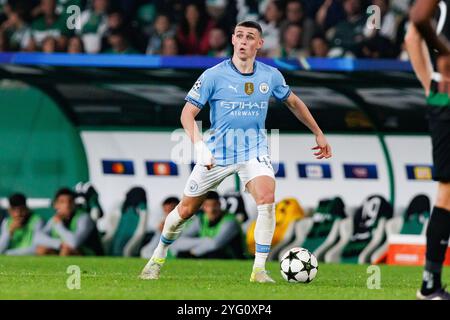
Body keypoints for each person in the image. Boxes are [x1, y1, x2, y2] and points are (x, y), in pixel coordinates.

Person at [140, 20, 332, 283]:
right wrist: (201, 148)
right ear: (232, 40)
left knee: (267, 199)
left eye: (250, 37)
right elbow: (187, 114)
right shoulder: (213, 75)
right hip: (216, 154)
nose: (243, 41)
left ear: (259, 44)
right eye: (239, 36)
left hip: (254, 151)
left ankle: (259, 270)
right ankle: (158, 256)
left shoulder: (270, 75)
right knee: (184, 211)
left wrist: (318, 132)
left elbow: (293, 102)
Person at [406, 0, 450, 300]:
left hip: (441, 95)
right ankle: (429, 286)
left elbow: (412, 36)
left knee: (446, 194)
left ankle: (430, 284)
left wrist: (430, 84)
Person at [170, 191, 246, 259]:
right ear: (203, 207)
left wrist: (193, 251)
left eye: (214, 205)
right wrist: (205, 240)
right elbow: (178, 242)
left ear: (219, 204)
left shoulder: (230, 221)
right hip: (205, 252)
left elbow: (215, 244)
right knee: (181, 254)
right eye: (207, 206)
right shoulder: (201, 219)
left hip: (231, 257)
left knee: (214, 253)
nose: (211, 209)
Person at [35, 188, 103, 256]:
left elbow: (74, 243)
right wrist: (59, 244)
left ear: (74, 204)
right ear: (56, 205)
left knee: (67, 251)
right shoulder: (54, 219)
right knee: (41, 249)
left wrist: (59, 225)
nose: (67, 205)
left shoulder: (84, 218)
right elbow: (37, 238)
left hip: (91, 254)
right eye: (62, 202)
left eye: (70, 201)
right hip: (65, 248)